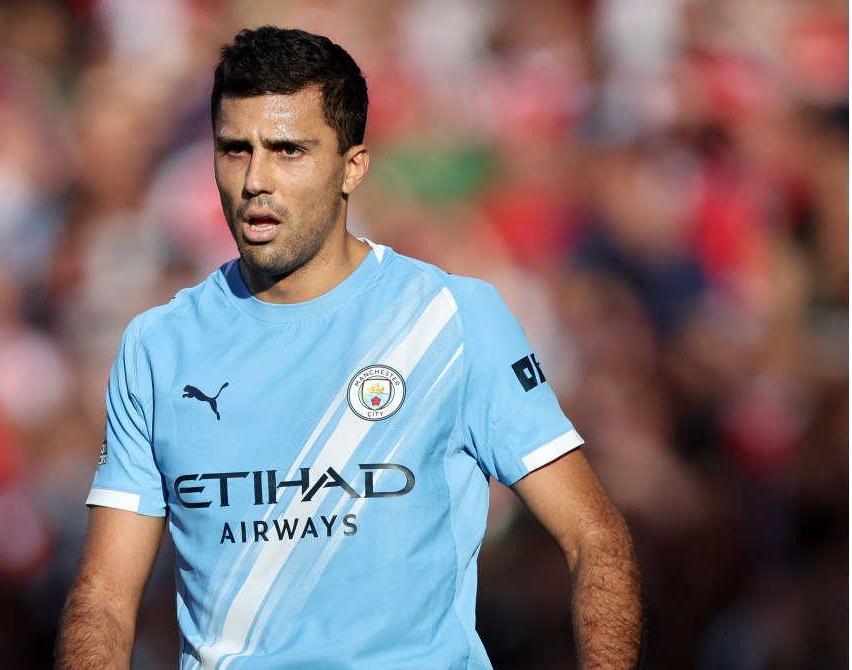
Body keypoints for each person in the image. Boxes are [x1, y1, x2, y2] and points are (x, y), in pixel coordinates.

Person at [57, 26, 642, 670]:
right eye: (235, 149)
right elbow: (105, 598)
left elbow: (593, 536)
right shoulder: (158, 346)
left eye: (288, 150)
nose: (255, 180)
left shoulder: (451, 318)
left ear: (352, 167)